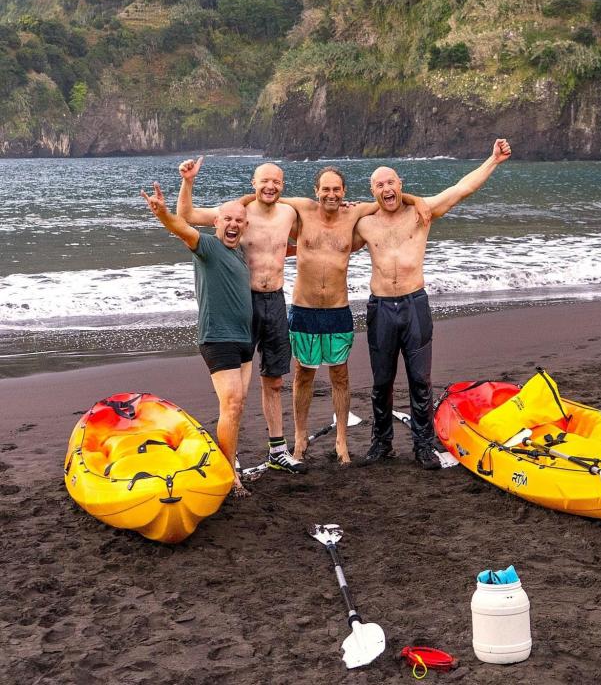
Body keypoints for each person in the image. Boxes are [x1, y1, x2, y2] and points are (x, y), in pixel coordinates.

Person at [353, 139, 512, 470]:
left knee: (420, 380)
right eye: (379, 184)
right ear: (372, 191)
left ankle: (423, 446)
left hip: (415, 305)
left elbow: (460, 189)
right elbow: (327, 240)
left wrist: (493, 160)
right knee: (382, 381)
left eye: (391, 182)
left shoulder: (421, 213)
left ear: (401, 185)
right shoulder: (364, 223)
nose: (386, 188)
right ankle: (381, 444)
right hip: (380, 308)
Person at [275, 168, 430, 465]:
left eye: (337, 189)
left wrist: (416, 199)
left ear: (344, 191)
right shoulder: (301, 210)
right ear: (316, 190)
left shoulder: (355, 213)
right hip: (304, 308)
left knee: (340, 376)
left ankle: (342, 441)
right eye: (326, 189)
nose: (331, 195)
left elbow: (390, 199)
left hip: (337, 309)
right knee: (303, 375)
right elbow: (265, 199)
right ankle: (299, 439)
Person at [176, 158, 306, 474]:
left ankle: (278, 450)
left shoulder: (290, 213)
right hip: (242, 304)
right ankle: (230, 456)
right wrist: (189, 181)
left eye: (276, 181)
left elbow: (315, 231)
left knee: (274, 381)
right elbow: (187, 216)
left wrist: (349, 208)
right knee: (237, 393)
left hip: (275, 301)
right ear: (253, 183)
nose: (270, 186)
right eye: (264, 181)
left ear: (282, 185)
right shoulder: (237, 213)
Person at [140, 184, 253, 497]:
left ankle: (229, 461)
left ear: (245, 226)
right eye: (226, 219)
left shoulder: (240, 252)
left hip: (244, 338)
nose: (232, 225)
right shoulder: (206, 246)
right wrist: (163, 213)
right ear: (215, 222)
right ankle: (229, 476)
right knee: (231, 403)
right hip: (218, 338)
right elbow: (181, 227)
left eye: (238, 221)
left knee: (238, 405)